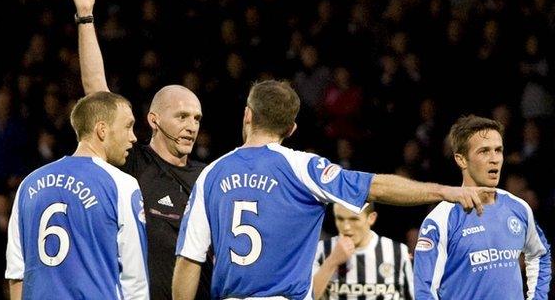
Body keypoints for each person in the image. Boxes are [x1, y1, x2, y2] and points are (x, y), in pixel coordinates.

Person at [172, 80, 494, 300]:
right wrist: (442, 191)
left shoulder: (210, 175)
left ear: (247, 115)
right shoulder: (303, 168)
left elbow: (188, 261)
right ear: (291, 128)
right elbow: (377, 186)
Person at [70, 0, 211, 299]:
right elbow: (96, 95)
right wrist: (86, 15)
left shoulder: (207, 178)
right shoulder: (134, 163)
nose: (192, 125)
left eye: (197, 118)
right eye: (182, 116)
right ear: (154, 120)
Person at [5, 91, 149, 299]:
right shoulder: (122, 185)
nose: (133, 137)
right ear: (102, 130)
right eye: (128, 126)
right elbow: (135, 281)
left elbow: (17, 275)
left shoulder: (29, 184)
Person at [413, 115, 551, 299]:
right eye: (484, 151)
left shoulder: (519, 208)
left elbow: (539, 255)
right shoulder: (441, 219)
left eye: (498, 150)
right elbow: (424, 289)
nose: (494, 159)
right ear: (461, 160)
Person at [312, 203, 414, 300]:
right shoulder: (321, 250)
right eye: (340, 219)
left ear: (371, 218)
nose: (346, 227)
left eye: (354, 219)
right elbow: (308, 296)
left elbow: (413, 296)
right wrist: (332, 261)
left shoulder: (398, 252)